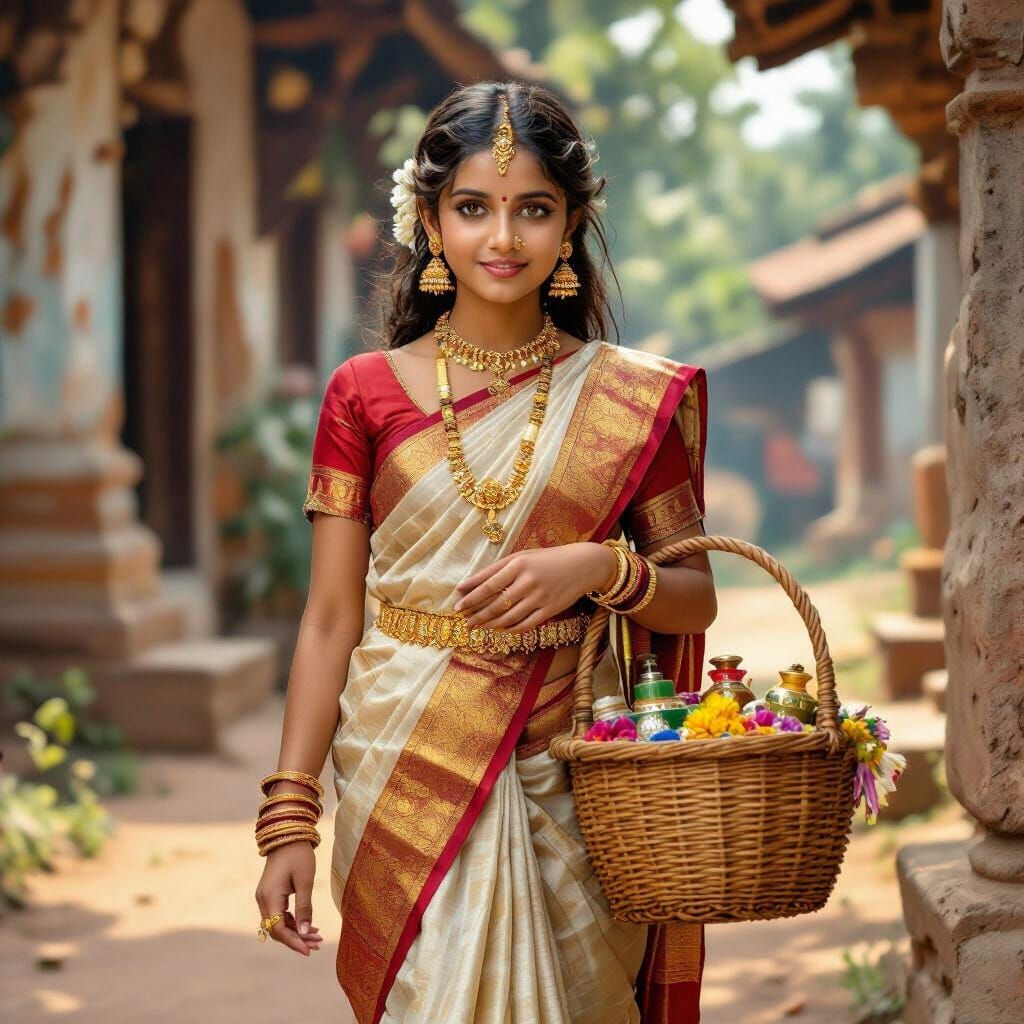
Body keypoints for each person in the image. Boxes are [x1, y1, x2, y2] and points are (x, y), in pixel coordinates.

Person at [253, 80, 717, 1024]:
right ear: (429, 219)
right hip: (401, 761)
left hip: (570, 767)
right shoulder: (364, 393)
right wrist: (290, 815)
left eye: (533, 210)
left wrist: (600, 569)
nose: (502, 238)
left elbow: (695, 597)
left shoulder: (629, 402)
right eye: (473, 208)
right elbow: (332, 616)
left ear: (572, 222)